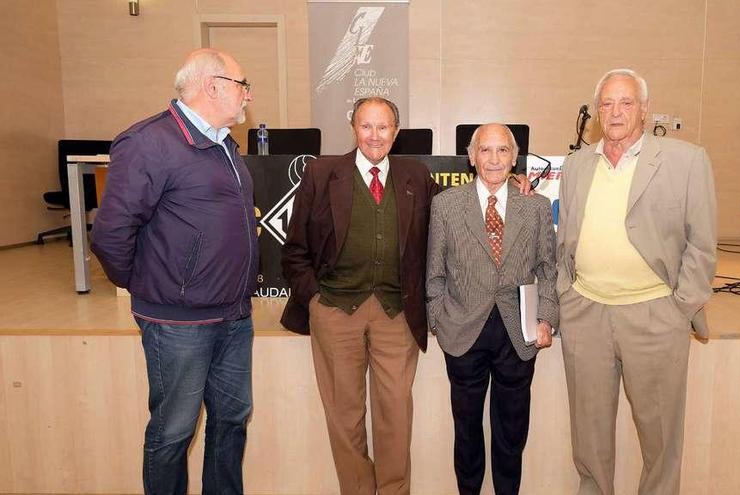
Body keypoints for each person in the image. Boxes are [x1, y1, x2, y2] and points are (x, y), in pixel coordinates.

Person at [90, 48, 258, 495]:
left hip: (234, 317)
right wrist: (150, 285)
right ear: (213, 86)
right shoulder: (149, 142)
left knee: (231, 423)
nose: (248, 96)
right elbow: (110, 234)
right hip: (178, 322)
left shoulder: (224, 143)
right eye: (244, 86)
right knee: (173, 433)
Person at [556, 68, 717, 495]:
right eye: (606, 103)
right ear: (595, 112)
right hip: (586, 314)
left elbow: (702, 244)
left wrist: (679, 307)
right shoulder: (575, 166)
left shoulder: (687, 161)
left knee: (660, 438)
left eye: (626, 102)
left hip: (655, 316)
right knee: (588, 439)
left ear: (644, 109)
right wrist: (565, 296)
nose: (615, 111)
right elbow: (564, 239)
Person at [279, 97, 440, 495]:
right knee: (345, 418)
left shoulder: (416, 176)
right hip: (335, 312)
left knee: (396, 416)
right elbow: (294, 249)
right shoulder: (321, 174)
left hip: (396, 314)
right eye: (366, 126)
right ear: (354, 128)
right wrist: (315, 300)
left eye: (383, 127)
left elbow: (456, 213)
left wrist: (507, 185)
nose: (374, 136)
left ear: (396, 132)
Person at [426, 123, 558, 494]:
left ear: (515, 158)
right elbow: (433, 272)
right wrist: (439, 321)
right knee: (466, 433)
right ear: (471, 157)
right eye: (486, 150)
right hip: (463, 332)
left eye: (503, 151)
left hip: (518, 335)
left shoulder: (535, 207)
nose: (495, 159)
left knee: (511, 434)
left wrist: (546, 316)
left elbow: (548, 268)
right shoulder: (446, 205)